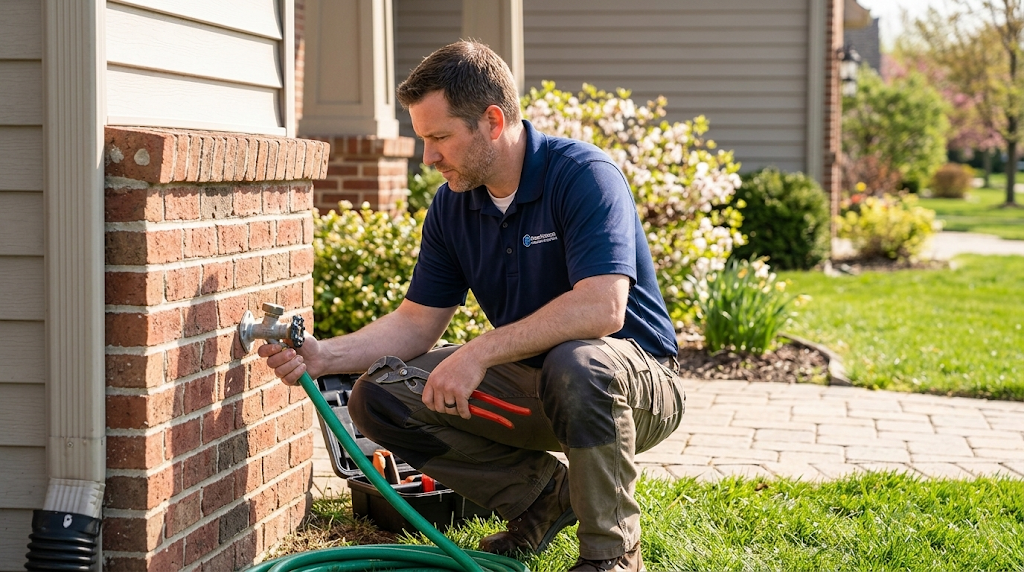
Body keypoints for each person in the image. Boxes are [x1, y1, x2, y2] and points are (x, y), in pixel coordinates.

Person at [260, 40, 685, 572]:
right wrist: (324, 357)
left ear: (491, 120)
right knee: (381, 396)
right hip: (534, 384)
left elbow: (603, 308)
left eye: (439, 137)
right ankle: (542, 498)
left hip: (633, 384)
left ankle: (611, 555)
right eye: (423, 139)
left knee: (577, 362)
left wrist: (479, 352)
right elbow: (416, 323)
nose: (428, 156)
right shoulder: (453, 206)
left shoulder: (582, 175)